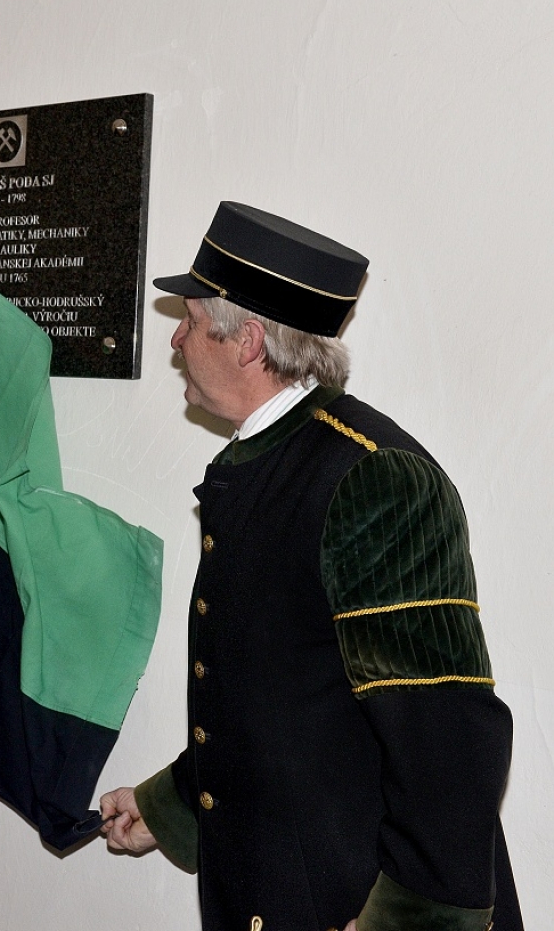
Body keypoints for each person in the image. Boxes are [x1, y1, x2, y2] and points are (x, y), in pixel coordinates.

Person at [99, 202, 521, 931]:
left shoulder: (371, 480)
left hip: (349, 899)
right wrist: (170, 807)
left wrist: (412, 921)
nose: (175, 338)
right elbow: (281, 698)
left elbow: (442, 731)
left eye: (190, 320)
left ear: (247, 342)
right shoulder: (270, 459)